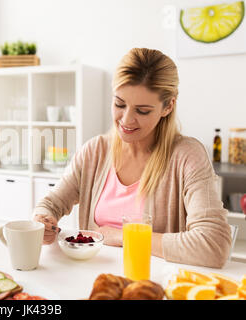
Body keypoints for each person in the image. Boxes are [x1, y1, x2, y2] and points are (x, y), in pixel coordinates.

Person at [33, 48, 231, 268]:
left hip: (153, 283)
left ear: (168, 106)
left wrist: (122, 235)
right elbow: (52, 203)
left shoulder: (187, 156)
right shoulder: (94, 151)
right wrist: (43, 219)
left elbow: (214, 246)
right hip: (93, 279)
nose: (126, 120)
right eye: (119, 104)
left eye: (143, 110)